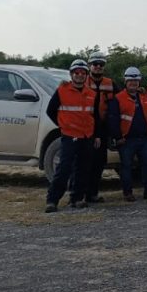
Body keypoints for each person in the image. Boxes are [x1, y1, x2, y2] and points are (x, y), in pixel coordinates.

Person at [44, 59, 97, 212]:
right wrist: (63, 124)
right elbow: (50, 111)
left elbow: (94, 116)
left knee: (83, 169)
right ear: (71, 74)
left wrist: (95, 134)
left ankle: (77, 198)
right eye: (76, 73)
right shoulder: (62, 91)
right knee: (64, 168)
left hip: (86, 136)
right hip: (69, 135)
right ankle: (52, 200)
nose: (79, 75)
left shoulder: (92, 94)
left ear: (86, 75)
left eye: (82, 73)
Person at [109, 67, 147, 201]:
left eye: (136, 81)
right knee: (126, 167)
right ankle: (128, 193)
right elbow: (113, 119)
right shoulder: (118, 98)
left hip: (145, 139)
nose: (133, 83)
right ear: (125, 82)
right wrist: (118, 137)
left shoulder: (145, 96)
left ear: (139, 82)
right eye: (131, 81)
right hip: (127, 140)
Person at [85, 50, 118, 204]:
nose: (98, 67)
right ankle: (79, 194)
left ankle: (93, 194)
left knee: (99, 163)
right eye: (95, 64)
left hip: (103, 129)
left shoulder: (110, 83)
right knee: (84, 163)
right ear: (89, 65)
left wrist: (139, 92)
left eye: (101, 64)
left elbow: (122, 98)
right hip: (85, 128)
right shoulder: (81, 81)